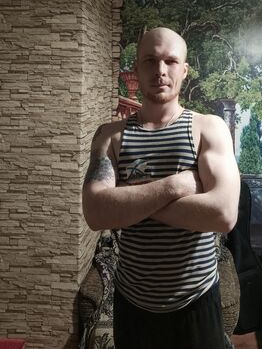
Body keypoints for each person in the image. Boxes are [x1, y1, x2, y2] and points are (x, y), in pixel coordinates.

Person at [82, 27, 240, 349]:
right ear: (136, 69)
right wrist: (177, 184)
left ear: (184, 69)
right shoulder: (110, 136)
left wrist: (128, 198)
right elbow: (96, 213)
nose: (160, 70)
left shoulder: (207, 128)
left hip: (196, 301)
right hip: (133, 305)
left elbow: (223, 214)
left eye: (171, 61)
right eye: (150, 61)